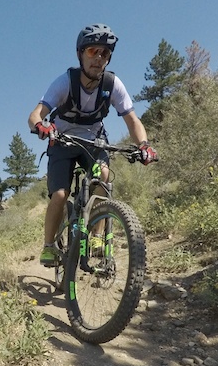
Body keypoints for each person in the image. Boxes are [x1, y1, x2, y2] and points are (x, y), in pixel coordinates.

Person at [28, 23, 157, 266]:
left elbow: (132, 120)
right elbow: (36, 114)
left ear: (108, 58)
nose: (98, 58)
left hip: (94, 141)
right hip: (62, 140)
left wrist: (144, 144)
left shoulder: (112, 85)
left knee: (103, 177)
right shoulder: (65, 82)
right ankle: (49, 246)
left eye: (104, 53)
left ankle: (97, 237)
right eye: (92, 51)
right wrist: (41, 125)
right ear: (80, 54)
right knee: (59, 194)